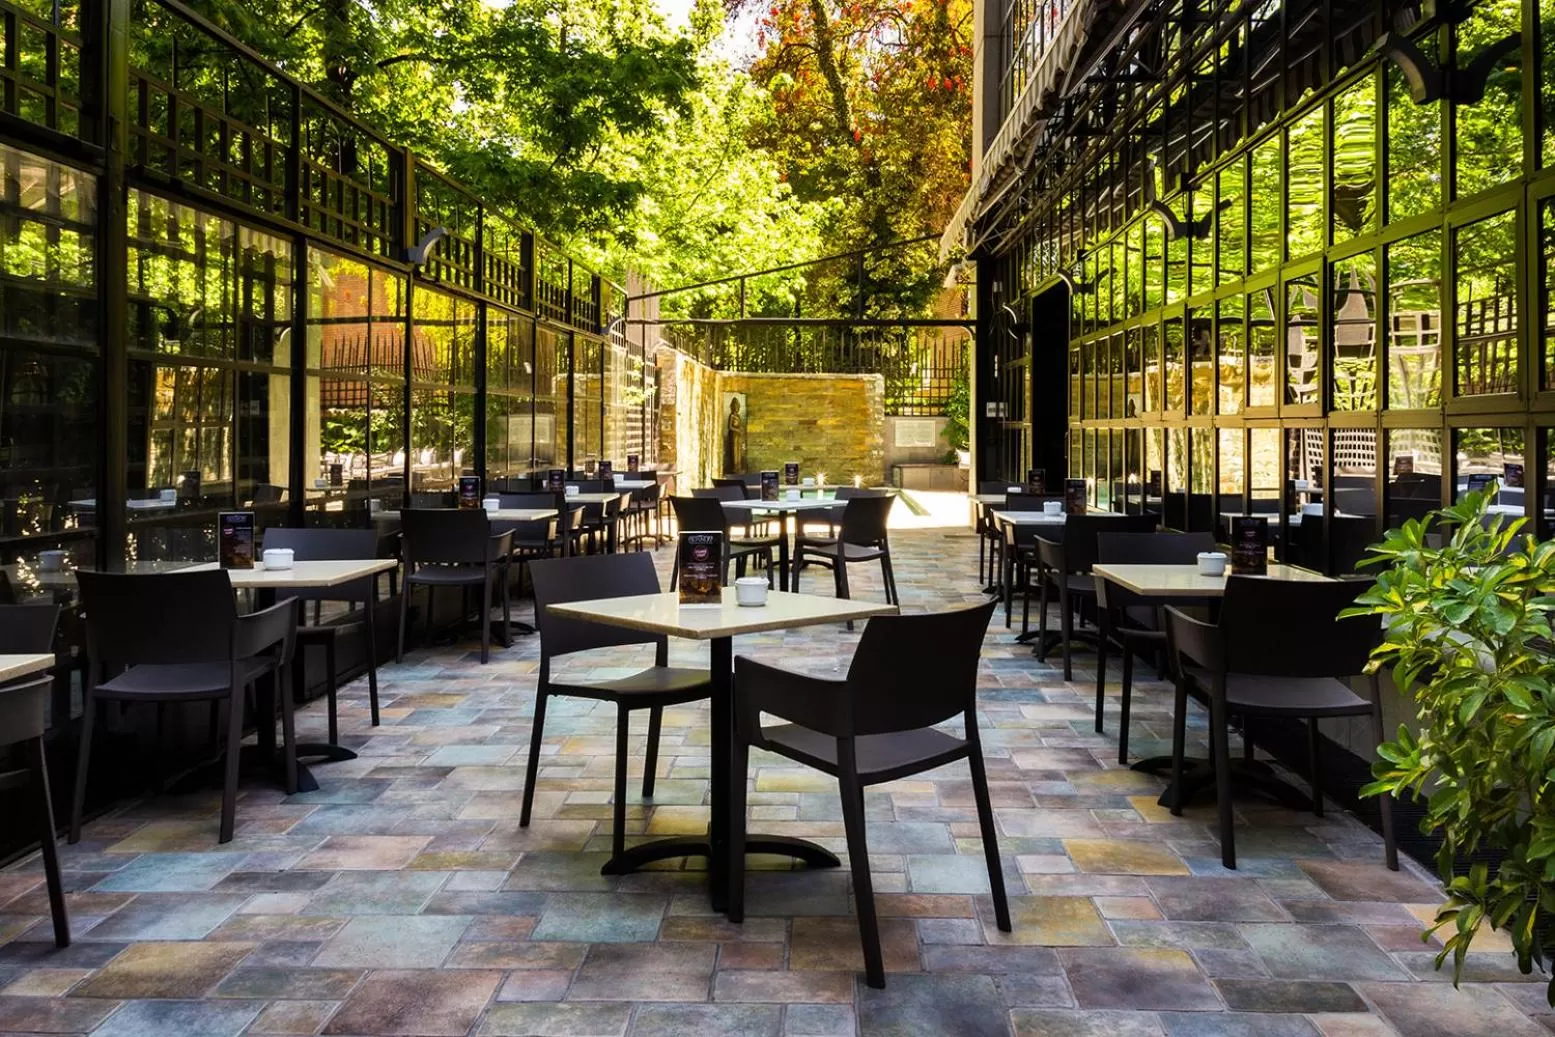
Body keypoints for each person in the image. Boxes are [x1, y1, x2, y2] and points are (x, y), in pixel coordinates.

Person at [724, 395, 746, 474]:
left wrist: (741, 431)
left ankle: (738, 467)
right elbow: (729, 427)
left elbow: (740, 425)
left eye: (738, 406)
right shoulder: (732, 416)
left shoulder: (738, 416)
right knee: (734, 451)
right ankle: (734, 468)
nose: (737, 407)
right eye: (735, 406)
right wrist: (737, 430)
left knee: (739, 451)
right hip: (733, 435)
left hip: (738, 436)